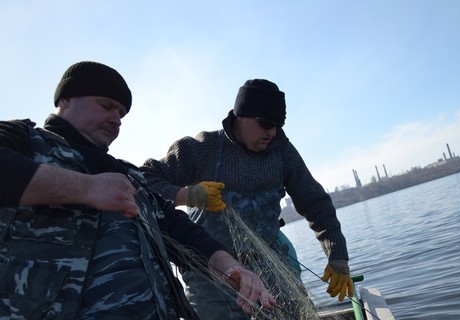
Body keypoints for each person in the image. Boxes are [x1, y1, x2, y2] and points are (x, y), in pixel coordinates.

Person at [0, 61, 275, 319]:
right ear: (65, 100)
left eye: (121, 114)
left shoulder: (129, 176)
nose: (116, 119)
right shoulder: (24, 141)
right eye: (106, 106)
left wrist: (230, 266)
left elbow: (181, 230)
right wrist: (86, 188)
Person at [140, 79, 353, 318]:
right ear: (241, 115)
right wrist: (185, 194)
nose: (271, 132)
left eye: (277, 126)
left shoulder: (282, 153)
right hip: (210, 271)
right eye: (264, 124)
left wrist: (338, 258)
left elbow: (316, 203)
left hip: (270, 265)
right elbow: (142, 180)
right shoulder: (201, 149)